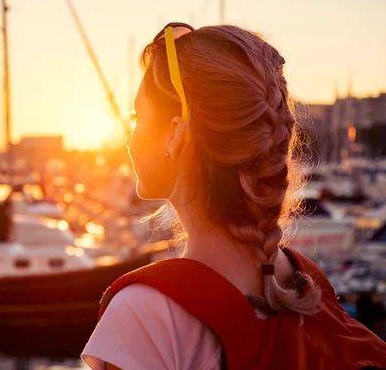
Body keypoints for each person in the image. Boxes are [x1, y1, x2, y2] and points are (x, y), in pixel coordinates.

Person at [81, 23, 386, 369]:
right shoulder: (307, 283)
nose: (129, 138)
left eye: (137, 117)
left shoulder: (144, 317)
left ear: (174, 134)